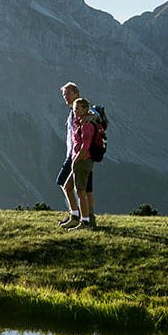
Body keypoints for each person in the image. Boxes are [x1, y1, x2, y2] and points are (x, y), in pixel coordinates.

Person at [55, 82, 95, 229]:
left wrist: (76, 158)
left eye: (67, 94)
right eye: (64, 94)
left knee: (77, 188)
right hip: (75, 154)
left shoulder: (84, 113)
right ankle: (82, 217)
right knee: (78, 188)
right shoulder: (75, 113)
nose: (65, 97)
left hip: (79, 156)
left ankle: (82, 218)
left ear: (76, 94)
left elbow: (85, 140)